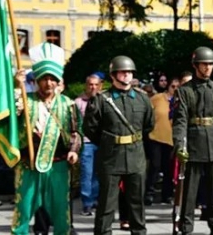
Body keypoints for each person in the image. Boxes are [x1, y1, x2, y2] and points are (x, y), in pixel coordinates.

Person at [11, 43, 82, 235]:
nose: (48, 83)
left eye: (52, 79)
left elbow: (76, 132)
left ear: (58, 81)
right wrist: (16, 84)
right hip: (28, 165)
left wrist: (74, 151)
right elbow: (8, 114)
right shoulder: (25, 100)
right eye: (44, 79)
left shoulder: (67, 104)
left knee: (61, 214)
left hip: (58, 165)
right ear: (37, 80)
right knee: (23, 212)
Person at [84, 55, 154, 235]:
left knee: (137, 203)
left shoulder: (142, 98)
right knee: (106, 204)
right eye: (122, 72)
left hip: (135, 156)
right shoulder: (101, 99)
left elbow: (149, 124)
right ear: (113, 75)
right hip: (110, 157)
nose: (127, 75)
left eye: (129, 72)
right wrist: (108, 142)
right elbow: (90, 128)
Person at [172, 46, 213, 235]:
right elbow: (180, 120)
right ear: (196, 65)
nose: (208, 68)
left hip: (212, 141)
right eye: (205, 64)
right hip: (193, 143)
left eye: (211, 64)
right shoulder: (184, 91)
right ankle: (186, 228)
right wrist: (180, 143)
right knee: (189, 192)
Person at [145, 77, 180, 205]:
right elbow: (147, 112)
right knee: (154, 166)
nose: (175, 89)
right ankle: (149, 194)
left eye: (178, 87)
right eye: (173, 87)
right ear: (168, 87)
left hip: (171, 139)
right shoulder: (157, 98)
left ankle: (167, 195)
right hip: (156, 136)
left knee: (168, 168)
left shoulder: (180, 101)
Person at [76, 74, 103, 215]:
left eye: (96, 84)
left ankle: (96, 200)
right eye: (90, 84)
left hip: (102, 142)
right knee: (87, 173)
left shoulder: (104, 101)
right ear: (86, 86)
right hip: (86, 142)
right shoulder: (79, 102)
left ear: (100, 86)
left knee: (98, 173)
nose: (93, 87)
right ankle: (87, 202)